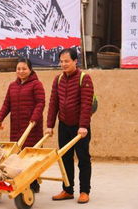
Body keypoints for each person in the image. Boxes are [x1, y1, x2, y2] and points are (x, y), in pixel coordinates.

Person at [46, 48, 94, 204]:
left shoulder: (84, 78)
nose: (63, 64)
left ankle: (84, 191)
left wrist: (83, 126)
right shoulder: (58, 79)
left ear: (75, 61)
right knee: (65, 158)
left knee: (83, 159)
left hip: (80, 128)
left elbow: (86, 105)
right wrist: (50, 125)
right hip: (64, 125)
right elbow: (53, 103)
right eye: (61, 61)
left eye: (67, 61)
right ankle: (67, 190)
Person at [0, 58, 45, 192]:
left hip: (31, 126)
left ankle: (33, 183)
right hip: (16, 126)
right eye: (18, 69)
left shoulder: (36, 84)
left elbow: (40, 103)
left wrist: (34, 118)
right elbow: (7, 104)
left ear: (30, 70)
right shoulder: (12, 86)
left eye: (24, 69)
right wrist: (0, 118)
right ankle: (18, 180)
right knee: (17, 155)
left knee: (30, 155)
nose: (21, 71)